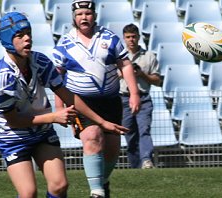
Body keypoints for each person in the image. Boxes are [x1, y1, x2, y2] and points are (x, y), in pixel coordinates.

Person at [0, 12, 129, 198]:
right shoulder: (0, 79)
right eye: (20, 36)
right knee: (28, 193)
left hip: (42, 132)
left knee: (60, 186)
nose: (27, 38)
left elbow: (69, 96)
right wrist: (53, 117)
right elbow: (14, 122)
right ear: (6, 40)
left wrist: (102, 122)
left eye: (28, 33)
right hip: (14, 139)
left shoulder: (41, 61)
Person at [51, 1, 141, 197]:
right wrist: (60, 107)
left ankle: (103, 181)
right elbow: (56, 77)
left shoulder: (109, 38)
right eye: (80, 14)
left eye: (88, 13)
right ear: (74, 17)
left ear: (94, 15)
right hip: (80, 102)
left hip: (110, 102)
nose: (84, 17)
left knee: (112, 148)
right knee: (92, 137)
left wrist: (134, 93)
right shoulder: (64, 43)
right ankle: (97, 192)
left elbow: (125, 65)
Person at [119, 23, 162, 169]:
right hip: (124, 98)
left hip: (143, 98)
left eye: (133, 36)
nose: (131, 40)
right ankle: (135, 165)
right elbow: (110, 77)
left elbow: (158, 81)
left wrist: (142, 74)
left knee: (144, 129)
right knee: (129, 134)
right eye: (128, 37)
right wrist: (126, 72)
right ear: (124, 39)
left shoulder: (149, 56)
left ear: (138, 37)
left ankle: (146, 160)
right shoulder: (119, 56)